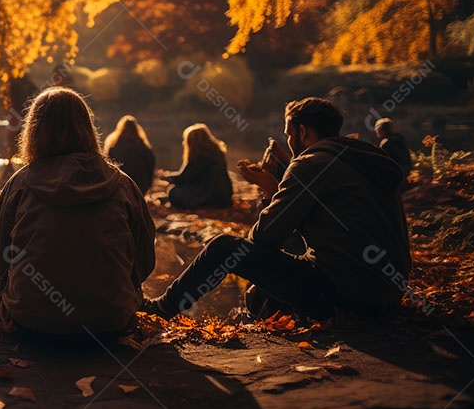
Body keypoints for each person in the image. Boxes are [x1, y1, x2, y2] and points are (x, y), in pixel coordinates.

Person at [144, 97, 411, 321]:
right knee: (290, 248)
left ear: (302, 131)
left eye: (289, 133)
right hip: (386, 293)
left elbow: (263, 237)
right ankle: (264, 305)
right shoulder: (361, 158)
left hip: (347, 298)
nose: (289, 140)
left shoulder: (311, 164)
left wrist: (270, 188)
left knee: (224, 247)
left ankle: (161, 309)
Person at [0, 87, 155, 334]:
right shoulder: (123, 184)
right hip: (110, 323)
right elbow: (145, 263)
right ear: (87, 127)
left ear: (34, 131)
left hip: (31, 323)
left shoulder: (20, 183)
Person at [165, 123, 233, 209]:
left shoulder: (198, 156)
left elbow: (184, 177)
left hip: (205, 196)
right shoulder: (217, 152)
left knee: (173, 191)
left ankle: (200, 205)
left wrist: (168, 178)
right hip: (224, 197)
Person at [104, 115, 156, 193]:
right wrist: (149, 184)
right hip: (140, 185)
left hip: (119, 184)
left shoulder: (114, 145)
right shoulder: (142, 146)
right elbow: (151, 164)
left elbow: (107, 164)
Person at [374, 118, 413, 186]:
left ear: (382, 130)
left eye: (377, 130)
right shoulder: (399, 138)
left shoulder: (386, 143)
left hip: (395, 176)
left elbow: (384, 162)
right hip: (406, 173)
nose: (376, 132)